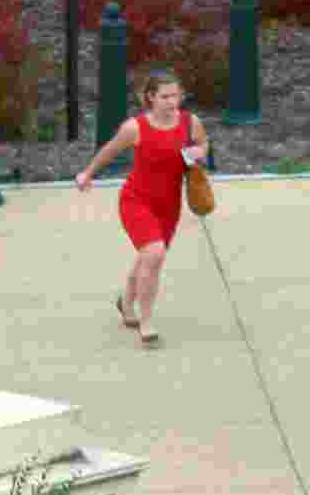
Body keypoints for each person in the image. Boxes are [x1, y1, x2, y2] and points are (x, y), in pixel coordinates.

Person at [75, 70, 209, 348]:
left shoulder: (189, 122)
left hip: (169, 204)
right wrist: (87, 173)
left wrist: (200, 152)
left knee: (147, 257)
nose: (173, 102)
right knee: (154, 253)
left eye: (176, 95)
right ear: (150, 98)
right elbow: (109, 150)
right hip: (136, 200)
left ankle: (125, 303)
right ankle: (146, 322)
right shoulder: (134, 127)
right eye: (165, 96)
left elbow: (203, 144)